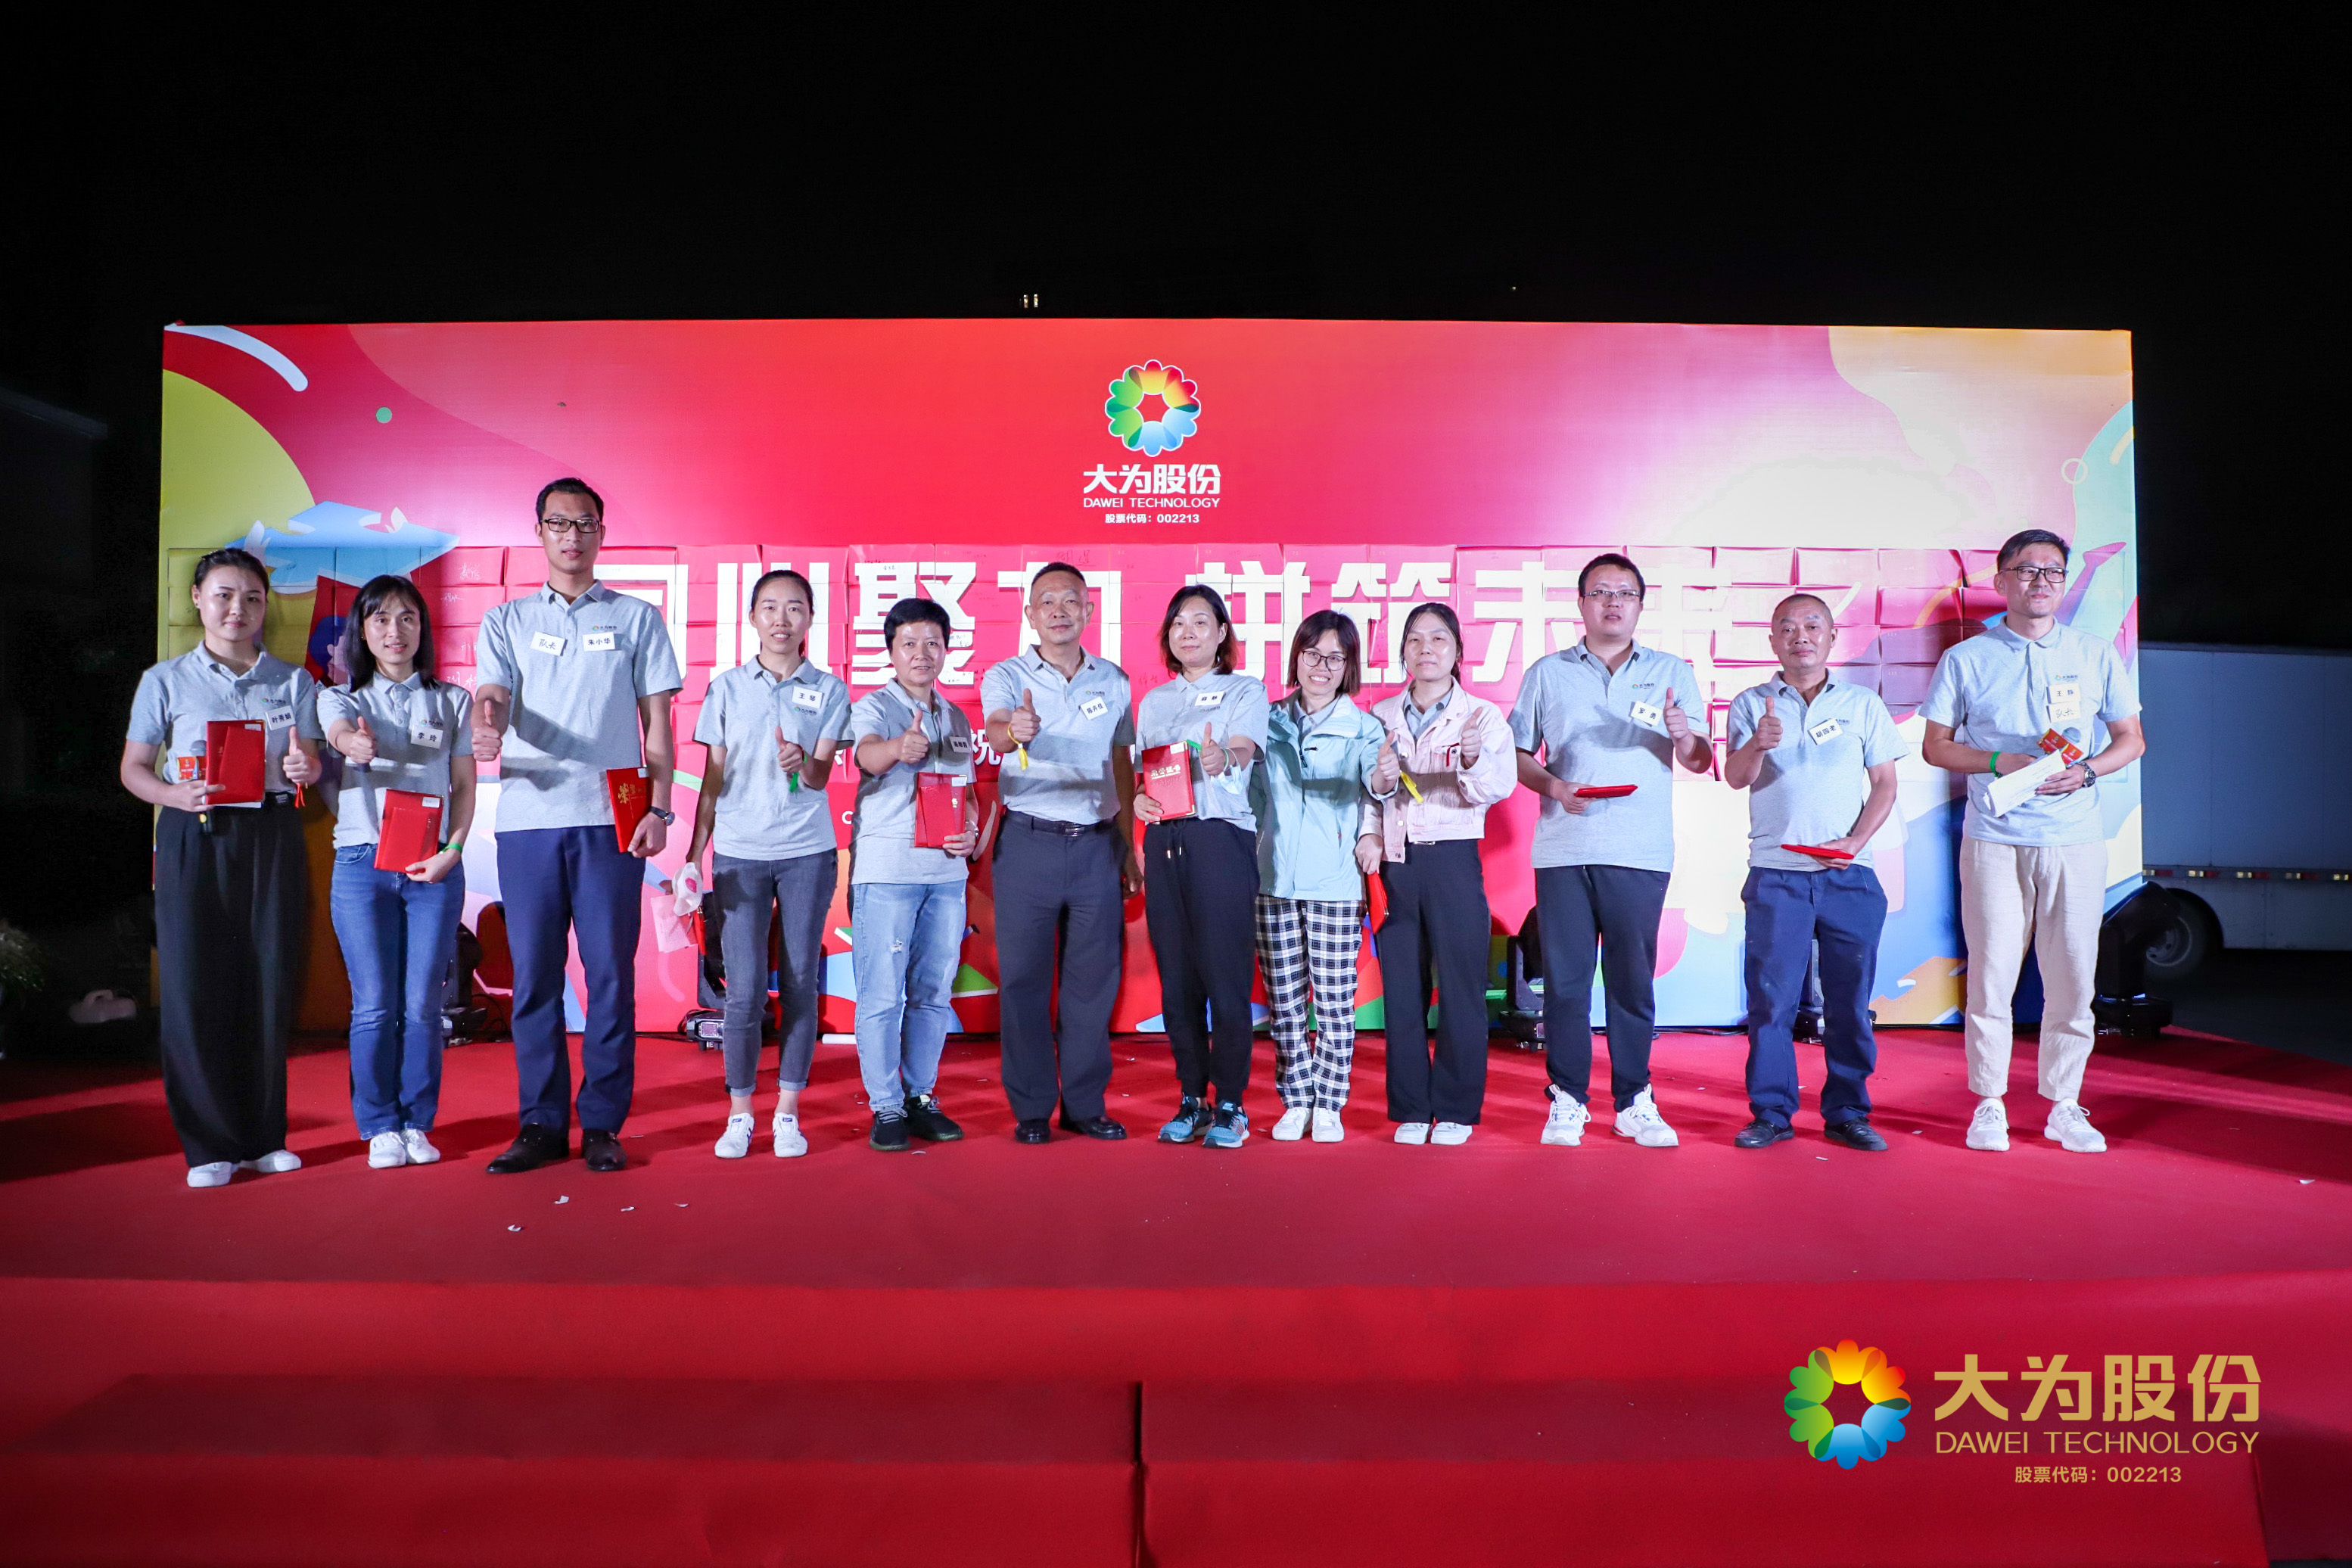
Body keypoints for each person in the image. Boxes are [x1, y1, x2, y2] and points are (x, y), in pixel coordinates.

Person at [471, 479, 683, 1174]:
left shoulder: (637, 618)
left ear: (601, 533)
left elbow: (658, 724)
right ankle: (539, 1124)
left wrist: (658, 808)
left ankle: (601, 1124)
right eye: (559, 523)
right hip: (529, 818)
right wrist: (488, 719)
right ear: (539, 531)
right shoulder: (505, 619)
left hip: (612, 819)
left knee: (610, 976)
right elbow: (493, 691)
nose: (572, 536)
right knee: (535, 977)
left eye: (585, 523)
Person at [1921, 528, 2145, 1155]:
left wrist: (2089, 770)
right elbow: (1935, 746)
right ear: (2001, 581)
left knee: (2072, 976)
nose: (2040, 581)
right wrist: (1999, 761)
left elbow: (2131, 739)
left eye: (2052, 571)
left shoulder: (2094, 654)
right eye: (2026, 570)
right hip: (1994, 838)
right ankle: (1989, 1103)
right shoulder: (1967, 658)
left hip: (2075, 839)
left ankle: (2065, 1104)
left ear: (2064, 583)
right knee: (1992, 974)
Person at [119, 546, 322, 1187]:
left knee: (268, 978)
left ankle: (264, 1137)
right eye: (225, 595)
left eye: (252, 598)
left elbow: (313, 764)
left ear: (266, 607)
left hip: (271, 834)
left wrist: (307, 769)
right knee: (193, 982)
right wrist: (172, 794)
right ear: (198, 600)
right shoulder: (165, 680)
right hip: (195, 832)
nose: (238, 609)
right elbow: (133, 769)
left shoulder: (293, 682)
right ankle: (209, 1144)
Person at [1510, 552, 1712, 1151]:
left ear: (1640, 605)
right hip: (1564, 850)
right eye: (1600, 592)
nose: (1612, 602)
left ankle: (1634, 1101)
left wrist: (1684, 736)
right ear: (1581, 604)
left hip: (1639, 851)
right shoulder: (1548, 673)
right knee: (1566, 984)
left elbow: (1701, 759)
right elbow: (1518, 754)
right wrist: (1554, 787)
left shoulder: (1671, 672)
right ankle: (1568, 1098)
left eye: (1624, 592)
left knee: (1631, 983)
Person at [1722, 594, 1902, 1152]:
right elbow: (1735, 776)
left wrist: (1855, 842)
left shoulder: (1862, 703)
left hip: (1850, 875)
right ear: (1772, 641)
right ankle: (1772, 1113)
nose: (1800, 636)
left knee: (1849, 1003)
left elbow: (1886, 783)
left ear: (1831, 636)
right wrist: (1758, 743)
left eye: (1812, 625)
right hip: (1778, 873)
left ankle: (1848, 1111)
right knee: (1771, 1003)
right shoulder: (1751, 703)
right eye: (1787, 627)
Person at [686, 568, 850, 1161]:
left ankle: (787, 1112)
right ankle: (739, 1113)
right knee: (746, 987)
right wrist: (693, 855)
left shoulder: (829, 690)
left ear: (811, 619)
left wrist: (804, 760)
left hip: (807, 852)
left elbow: (820, 777)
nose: (782, 619)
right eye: (771, 608)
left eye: (795, 608)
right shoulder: (727, 688)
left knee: (801, 980)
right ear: (752, 617)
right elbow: (712, 779)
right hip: (740, 852)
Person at [982, 562, 1143, 1143]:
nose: (1058, 610)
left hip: (1097, 845)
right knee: (1024, 982)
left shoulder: (1114, 680)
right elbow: (996, 730)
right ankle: (1031, 1109)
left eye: (1070, 600)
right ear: (1029, 614)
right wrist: (1015, 730)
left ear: (1088, 612)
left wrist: (1127, 847)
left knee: (1091, 984)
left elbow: (1121, 762)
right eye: (1046, 601)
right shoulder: (1006, 675)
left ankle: (1084, 1104)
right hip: (1030, 842)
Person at [319, 574, 475, 1169]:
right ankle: (379, 1124)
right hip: (363, 864)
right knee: (374, 1005)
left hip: (431, 866)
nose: (395, 630)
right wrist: (352, 746)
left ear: (423, 628)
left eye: (407, 618)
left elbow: (464, 786)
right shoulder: (341, 698)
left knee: (422, 1006)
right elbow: (338, 735)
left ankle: (417, 1122)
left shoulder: (452, 701)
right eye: (381, 618)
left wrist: (452, 850)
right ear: (363, 630)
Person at [1364, 602, 1517, 1145]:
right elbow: (1368, 794)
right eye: (1414, 639)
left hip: (1453, 859)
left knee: (1461, 987)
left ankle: (1455, 1108)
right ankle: (1410, 1106)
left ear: (1456, 652)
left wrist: (1471, 759)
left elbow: (1497, 787)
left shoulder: (1482, 716)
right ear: (1402, 651)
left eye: (1438, 639)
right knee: (1402, 990)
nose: (1425, 648)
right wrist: (1370, 826)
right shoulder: (1379, 716)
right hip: (1397, 863)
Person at [1134, 585, 1270, 1150]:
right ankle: (1192, 1098)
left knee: (1226, 977)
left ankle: (1232, 1104)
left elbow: (1244, 750)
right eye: (1178, 624)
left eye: (1200, 622)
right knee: (1178, 980)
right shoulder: (1154, 702)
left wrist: (1221, 757)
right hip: (1165, 841)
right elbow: (1147, 774)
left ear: (1222, 633)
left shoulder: (1245, 690)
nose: (1187, 632)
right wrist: (1141, 801)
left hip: (1220, 840)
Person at [848, 598, 979, 1152]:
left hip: (946, 875)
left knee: (932, 994)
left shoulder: (956, 717)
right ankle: (886, 1106)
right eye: (909, 644)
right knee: (882, 995)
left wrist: (971, 830)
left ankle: (920, 1096)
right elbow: (866, 756)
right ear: (891, 652)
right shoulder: (874, 707)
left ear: (947, 650)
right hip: (888, 873)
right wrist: (899, 748)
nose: (922, 654)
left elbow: (967, 793)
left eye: (932, 643)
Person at [1250, 610, 1386, 1143]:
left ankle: (1328, 1103)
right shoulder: (1266, 721)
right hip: (1273, 880)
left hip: (1335, 883)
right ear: (1297, 657)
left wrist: (1383, 783)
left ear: (1349, 666)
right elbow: (1250, 797)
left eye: (1335, 657)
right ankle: (1295, 1100)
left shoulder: (1365, 728)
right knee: (1284, 1004)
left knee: (1333, 1002)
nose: (1322, 667)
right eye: (1313, 654)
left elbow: (1377, 792)